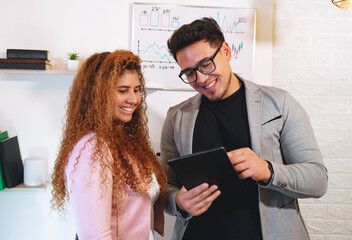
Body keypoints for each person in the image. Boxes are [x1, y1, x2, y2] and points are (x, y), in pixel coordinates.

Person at [160, 17, 328, 240]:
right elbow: (164, 188)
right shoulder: (176, 116)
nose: (201, 78)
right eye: (189, 72)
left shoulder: (279, 104)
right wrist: (178, 203)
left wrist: (267, 170)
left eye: (206, 63)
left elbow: (318, 180)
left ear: (227, 51)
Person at [51, 50, 167, 240]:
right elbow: (95, 236)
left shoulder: (122, 139)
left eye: (137, 89)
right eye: (122, 90)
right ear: (97, 94)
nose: (134, 99)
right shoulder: (92, 148)